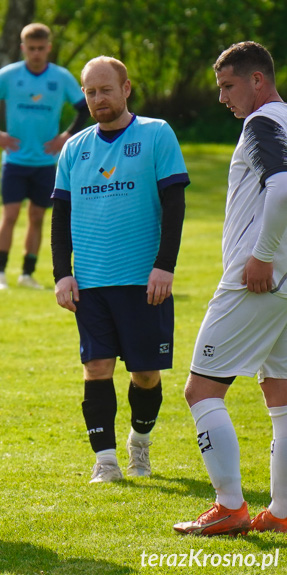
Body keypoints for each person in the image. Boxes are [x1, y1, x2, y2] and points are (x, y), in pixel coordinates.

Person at [51, 56, 189, 484]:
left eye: (105, 89)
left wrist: (164, 267)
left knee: (145, 375)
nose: (97, 99)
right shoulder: (75, 148)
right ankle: (105, 461)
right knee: (96, 369)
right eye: (90, 92)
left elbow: (175, 206)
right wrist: (62, 273)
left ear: (126, 89)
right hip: (91, 283)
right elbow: (60, 216)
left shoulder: (156, 134)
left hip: (143, 282)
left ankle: (140, 444)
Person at [174, 41, 287, 537]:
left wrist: (262, 255)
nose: (223, 98)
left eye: (228, 86)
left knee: (201, 390)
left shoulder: (263, 123)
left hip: (257, 277)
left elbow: (282, 189)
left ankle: (230, 507)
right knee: (281, 396)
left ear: (258, 80)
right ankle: (281, 513)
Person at [0, 23, 88, 291]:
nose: (36, 53)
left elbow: (84, 107)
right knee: (10, 214)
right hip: (14, 161)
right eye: (31, 49)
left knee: (37, 217)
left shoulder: (61, 77)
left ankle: (27, 274)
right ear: (23, 48)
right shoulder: (10, 75)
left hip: (46, 163)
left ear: (48, 48)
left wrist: (66, 136)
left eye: (40, 48)